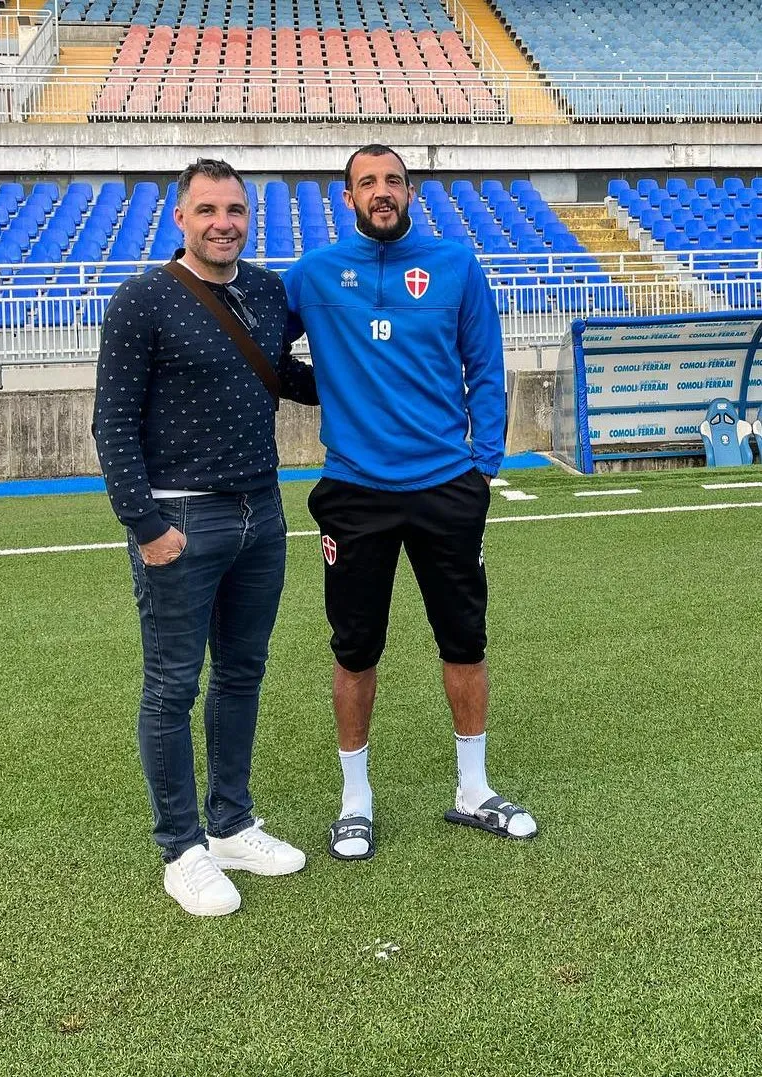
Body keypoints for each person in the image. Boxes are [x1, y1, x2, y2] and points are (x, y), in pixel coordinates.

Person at [284, 144, 538, 860]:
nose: (382, 192)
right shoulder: (314, 273)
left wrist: (482, 466)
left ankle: (473, 788)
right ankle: (355, 801)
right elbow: (261, 350)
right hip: (356, 492)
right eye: (368, 182)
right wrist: (324, 386)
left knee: (465, 638)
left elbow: (486, 366)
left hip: (446, 487)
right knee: (355, 647)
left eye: (393, 180)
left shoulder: (456, 264)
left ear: (411, 190)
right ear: (347, 197)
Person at [93, 159, 318, 917]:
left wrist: (382, 369)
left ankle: (230, 823)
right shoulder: (141, 299)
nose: (224, 221)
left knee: (243, 673)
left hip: (261, 507)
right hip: (180, 516)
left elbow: (283, 375)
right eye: (208, 209)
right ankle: (181, 848)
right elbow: (113, 422)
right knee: (171, 686)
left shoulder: (263, 288)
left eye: (235, 209)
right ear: (179, 218)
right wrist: (145, 525)